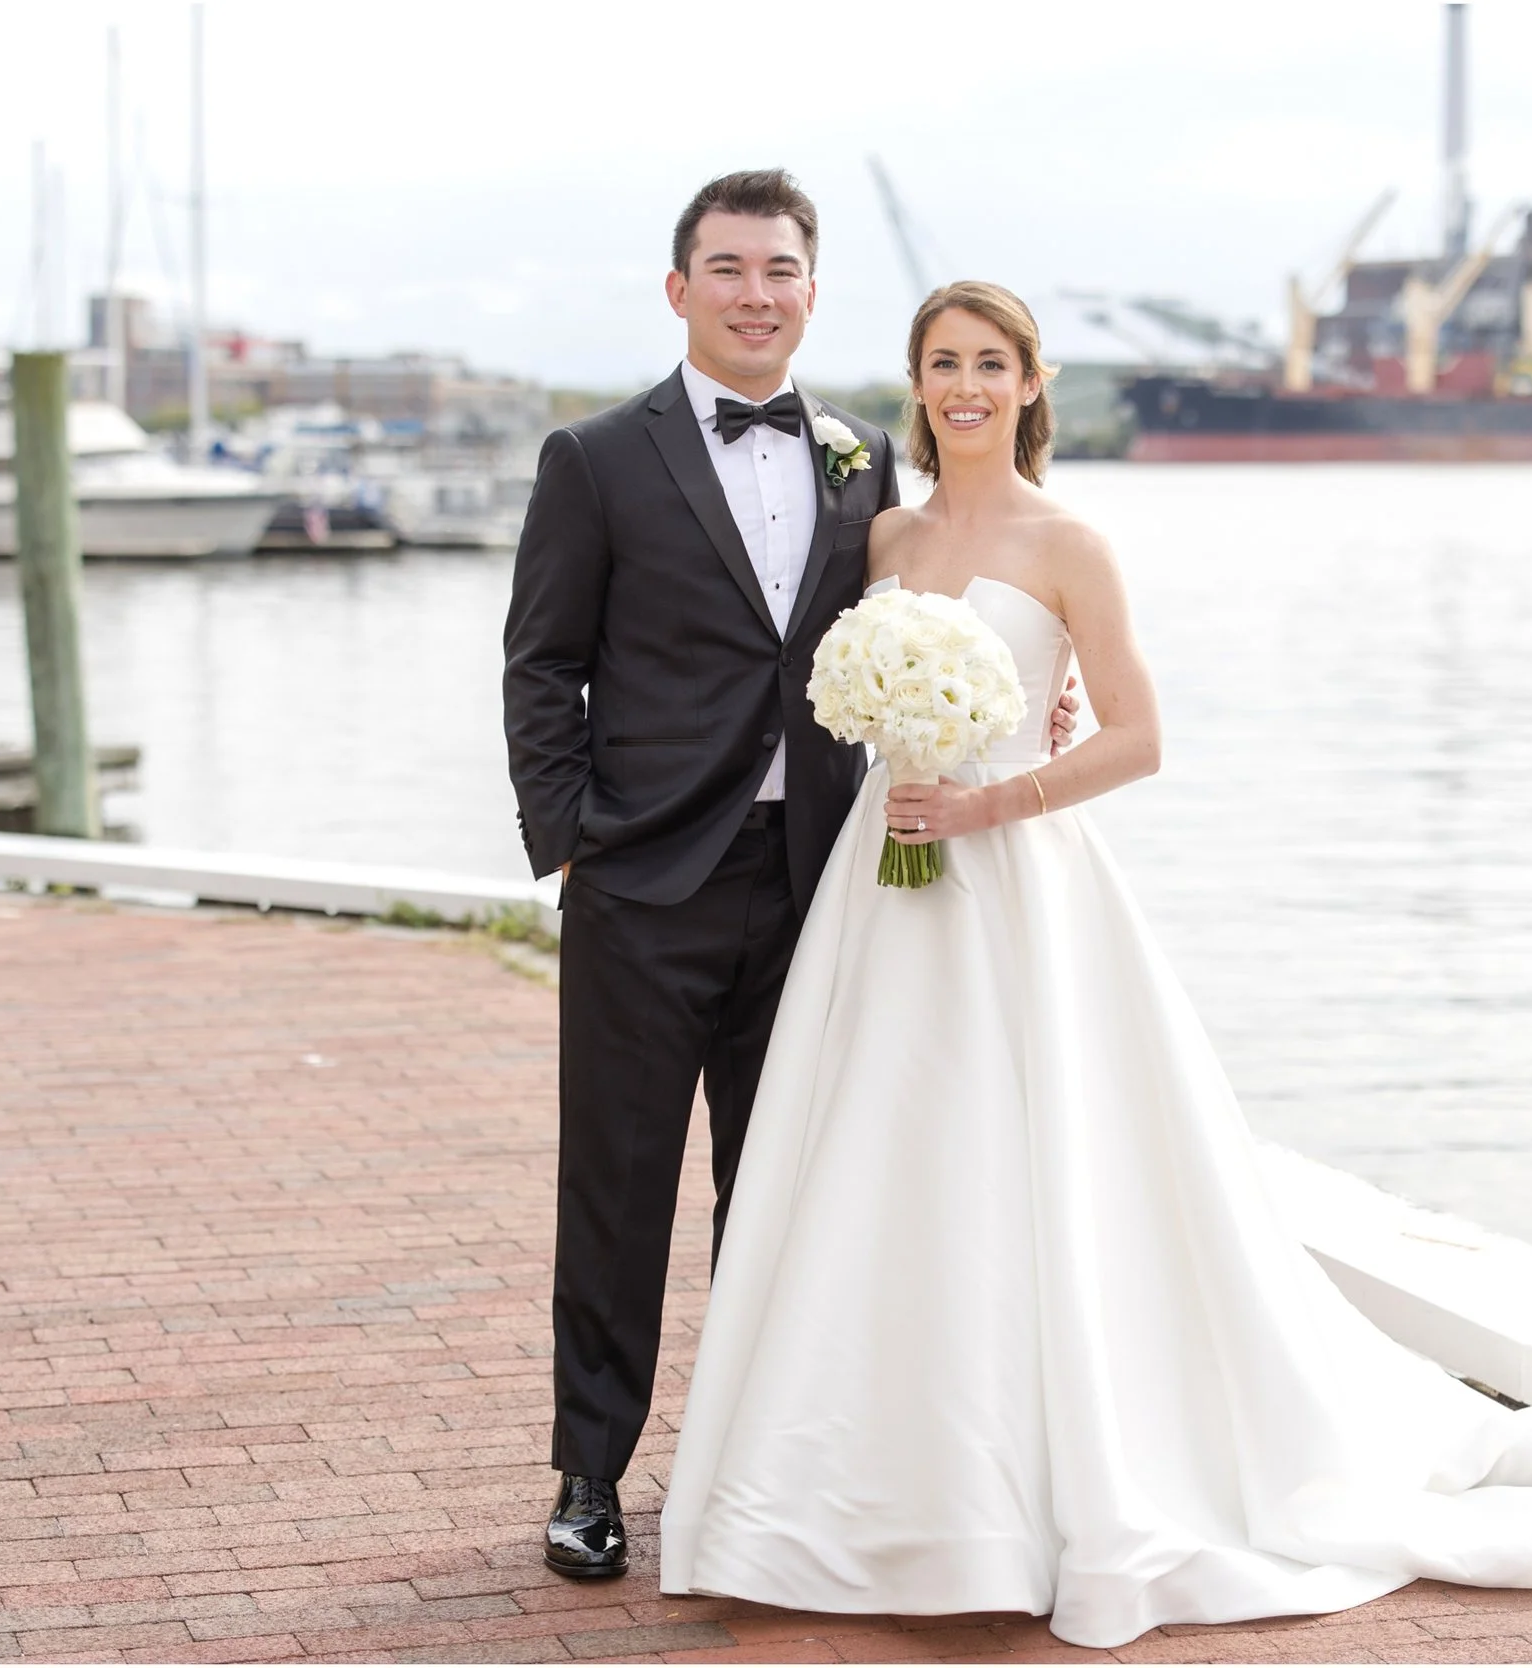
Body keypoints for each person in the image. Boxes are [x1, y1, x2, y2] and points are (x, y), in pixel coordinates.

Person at [656, 281, 1532, 1648]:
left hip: (1020, 887)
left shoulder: (1072, 543)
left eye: (990, 364)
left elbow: (1135, 737)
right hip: (883, 897)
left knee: (1041, 1167)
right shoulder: (881, 531)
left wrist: (995, 800)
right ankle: (849, 1494)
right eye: (943, 364)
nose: (965, 388)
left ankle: (1052, 1490)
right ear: (918, 382)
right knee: (881, 1167)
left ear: (1031, 379)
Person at [502, 174, 1081, 1580]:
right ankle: (592, 1472)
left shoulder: (863, 456)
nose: (757, 292)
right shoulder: (597, 458)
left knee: (790, 1192)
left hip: (829, 885)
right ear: (680, 287)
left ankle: (752, 1465)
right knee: (620, 1186)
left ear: (814, 291)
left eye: (781, 270)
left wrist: (1029, 695)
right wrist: (574, 838)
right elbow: (541, 665)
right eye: (729, 268)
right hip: (645, 882)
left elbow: (919, 625)